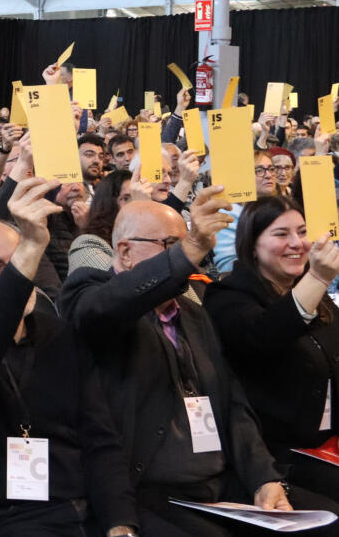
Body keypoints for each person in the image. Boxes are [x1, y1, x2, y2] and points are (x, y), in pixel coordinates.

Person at [60, 192, 339, 535]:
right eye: (171, 246)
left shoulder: (193, 313)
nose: (187, 260)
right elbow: (104, 309)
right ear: (125, 252)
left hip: (221, 483)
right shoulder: (90, 295)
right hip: (151, 492)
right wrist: (191, 246)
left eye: (189, 247)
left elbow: (233, 405)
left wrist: (263, 478)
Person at [0, 178, 139, 536]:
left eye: (21, 262)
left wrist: (121, 524)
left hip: (80, 516)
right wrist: (30, 246)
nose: (19, 279)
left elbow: (100, 441)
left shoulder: (60, 334)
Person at [205, 196, 339, 499]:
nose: (297, 243)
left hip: (325, 443)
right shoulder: (228, 296)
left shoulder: (315, 295)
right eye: (281, 234)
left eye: (302, 232)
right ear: (253, 245)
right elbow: (266, 335)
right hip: (276, 456)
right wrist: (318, 277)